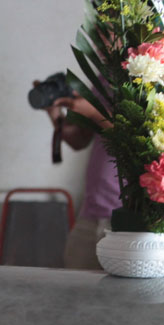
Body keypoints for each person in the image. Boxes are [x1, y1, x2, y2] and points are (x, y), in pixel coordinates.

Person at [44, 93, 118, 270]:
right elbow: (79, 140)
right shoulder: (101, 81)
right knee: (73, 284)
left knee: (124, 287)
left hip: (128, 217)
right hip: (91, 210)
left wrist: (94, 113)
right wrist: (55, 112)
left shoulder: (155, 79)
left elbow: (140, 139)